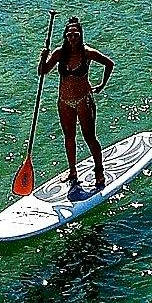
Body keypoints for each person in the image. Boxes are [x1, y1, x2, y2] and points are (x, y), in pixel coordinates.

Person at [47, 16, 114, 197]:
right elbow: (42, 71)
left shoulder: (87, 53)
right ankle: (72, 171)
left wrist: (101, 85)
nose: (72, 37)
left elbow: (109, 64)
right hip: (64, 101)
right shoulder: (59, 53)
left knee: (89, 137)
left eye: (75, 34)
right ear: (65, 36)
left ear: (80, 35)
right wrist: (43, 57)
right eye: (69, 34)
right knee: (69, 137)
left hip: (83, 100)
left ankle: (99, 171)